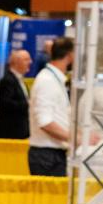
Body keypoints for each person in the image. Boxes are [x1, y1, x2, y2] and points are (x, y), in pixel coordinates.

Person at [28, 36, 75, 176]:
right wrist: (74, 138)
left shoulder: (54, 79)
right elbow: (45, 122)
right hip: (47, 156)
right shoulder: (47, 81)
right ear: (69, 55)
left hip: (53, 154)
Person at [0, 48, 32, 139]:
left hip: (21, 131)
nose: (30, 62)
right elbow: (6, 104)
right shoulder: (8, 81)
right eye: (26, 59)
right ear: (16, 62)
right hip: (10, 132)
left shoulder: (20, 80)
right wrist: (29, 104)